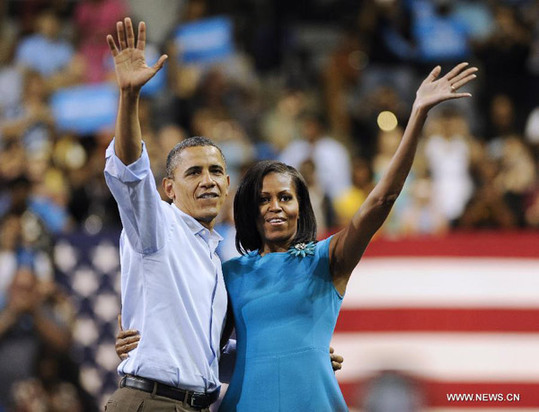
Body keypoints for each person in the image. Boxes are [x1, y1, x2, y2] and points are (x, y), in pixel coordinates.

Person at [115, 29, 477, 409]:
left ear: (302, 207)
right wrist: (142, 341)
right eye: (264, 199)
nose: (275, 206)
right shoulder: (231, 272)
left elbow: (381, 200)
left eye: (285, 197)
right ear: (249, 211)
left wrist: (416, 114)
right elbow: (207, 348)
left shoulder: (327, 259)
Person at [104, 18, 341, 412]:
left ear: (228, 185)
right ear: (168, 189)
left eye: (216, 171)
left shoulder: (218, 262)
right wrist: (129, 97)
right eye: (193, 172)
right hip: (151, 401)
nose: (208, 180)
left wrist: (303, 352)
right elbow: (129, 172)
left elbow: (216, 358)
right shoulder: (156, 226)